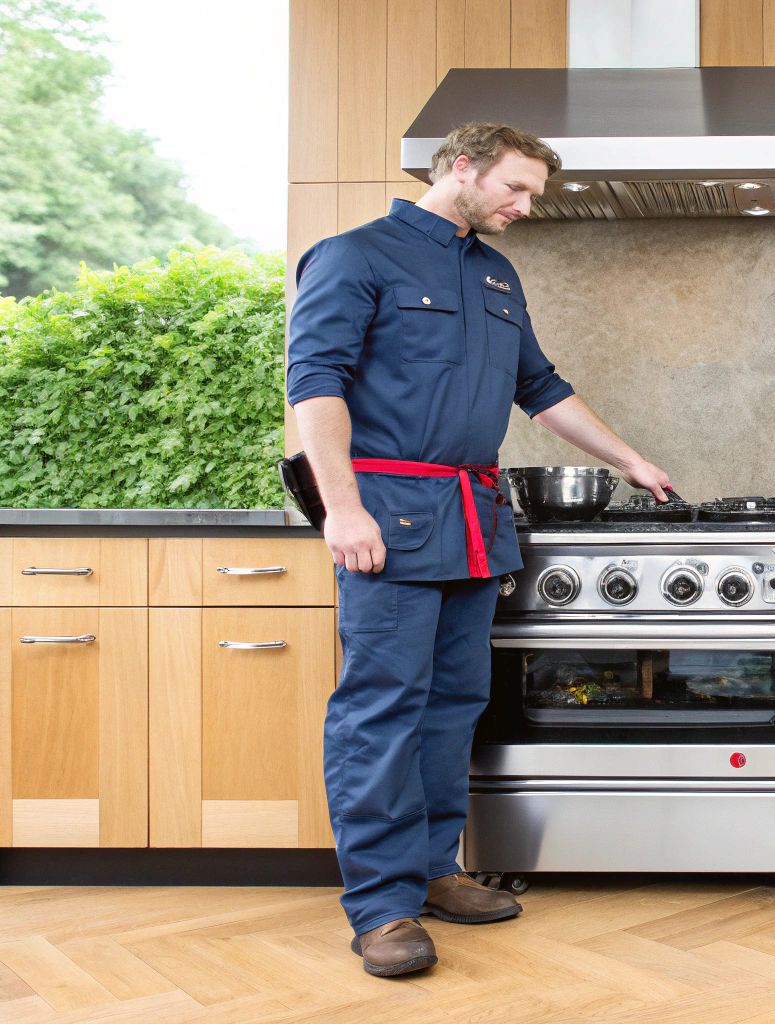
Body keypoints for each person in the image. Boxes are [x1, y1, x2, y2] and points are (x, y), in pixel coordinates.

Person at [285, 122, 673, 978]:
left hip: (473, 516)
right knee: (380, 711)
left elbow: (541, 388)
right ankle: (382, 908)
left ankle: (432, 871)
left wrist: (630, 459)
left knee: (453, 705)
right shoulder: (355, 256)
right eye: (516, 188)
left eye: (532, 194)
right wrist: (341, 509)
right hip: (387, 517)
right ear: (462, 167)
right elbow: (314, 384)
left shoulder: (495, 271)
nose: (524, 207)